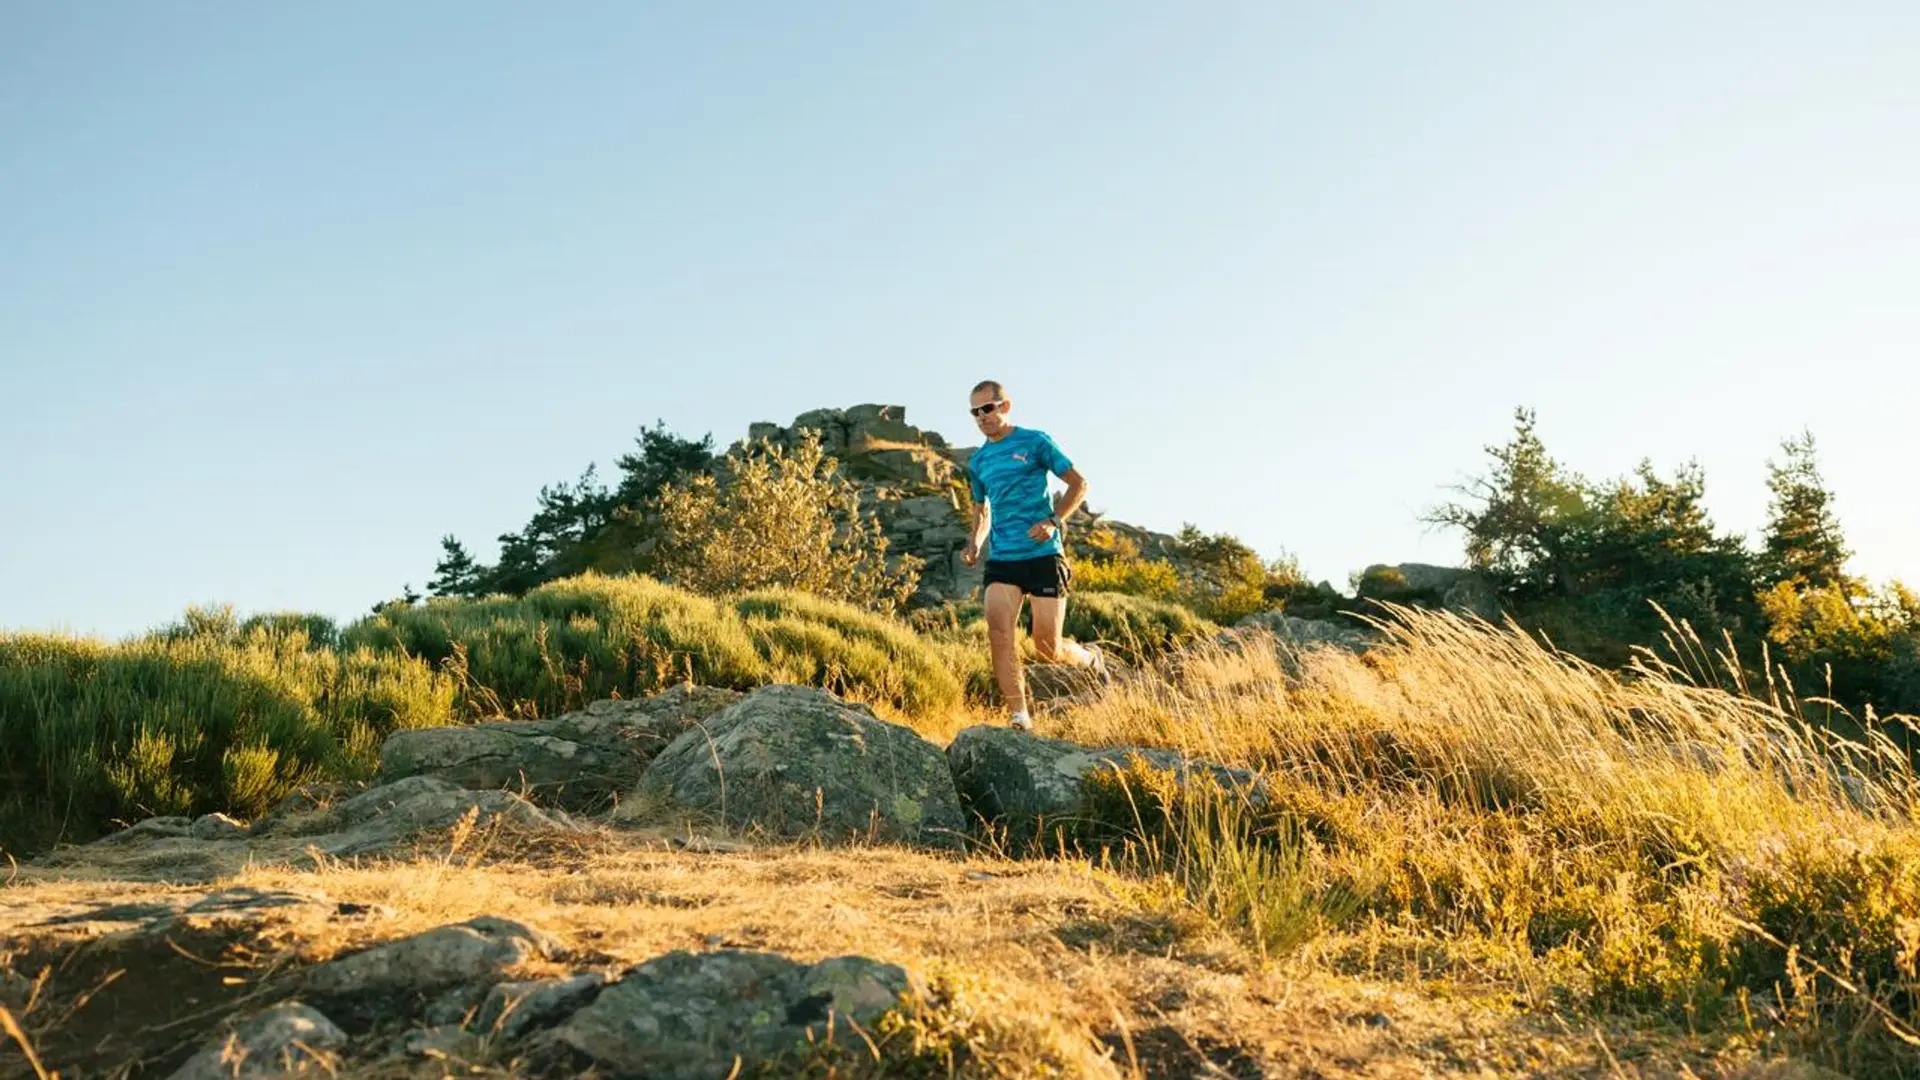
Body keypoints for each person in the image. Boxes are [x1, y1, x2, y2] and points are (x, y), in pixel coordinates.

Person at [959, 380, 1107, 731]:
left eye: (987, 409)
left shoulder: (1035, 441)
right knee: (999, 633)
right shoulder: (978, 462)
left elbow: (1078, 483)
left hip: (1042, 554)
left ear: (1004, 406)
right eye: (975, 412)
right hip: (1003, 560)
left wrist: (1054, 521)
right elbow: (981, 511)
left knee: (1046, 648)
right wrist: (975, 543)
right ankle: (1019, 717)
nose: (982, 417)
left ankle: (1088, 659)